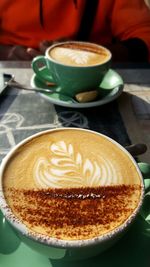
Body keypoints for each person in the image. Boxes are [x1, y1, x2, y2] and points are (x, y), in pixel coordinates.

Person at [0, 0, 150, 62]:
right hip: (10, 76)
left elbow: (145, 37)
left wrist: (92, 55)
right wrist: (6, 53)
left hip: (94, 82)